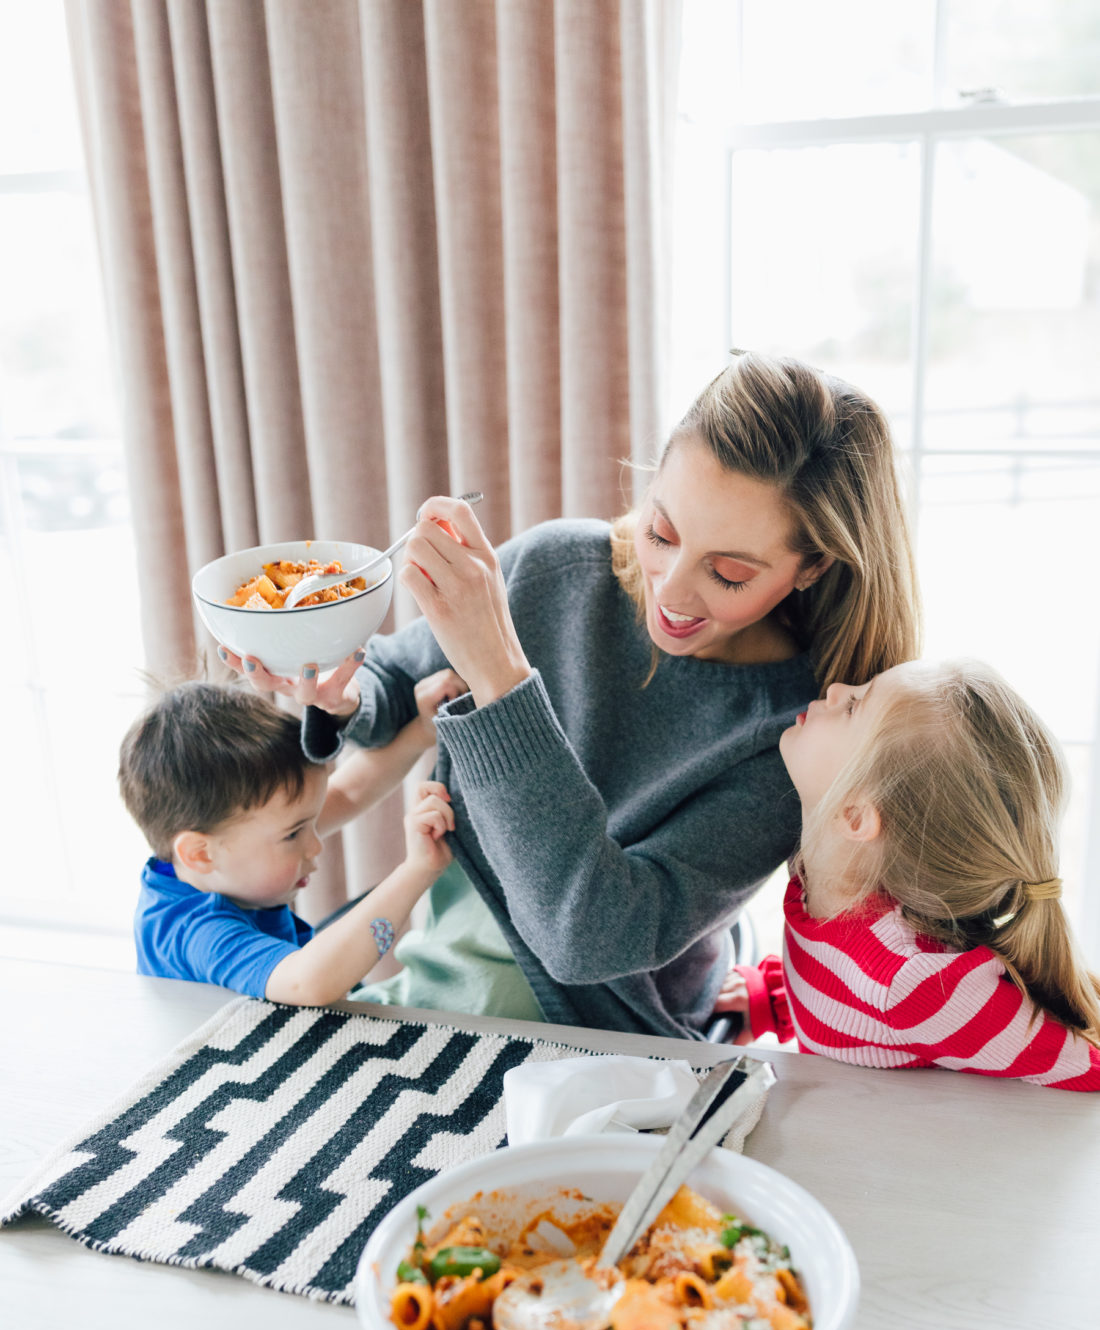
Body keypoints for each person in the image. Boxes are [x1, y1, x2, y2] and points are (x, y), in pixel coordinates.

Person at [219, 352, 922, 1038]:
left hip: (605, 1029)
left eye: (730, 573)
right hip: (448, 956)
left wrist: (500, 677)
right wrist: (338, 696)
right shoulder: (558, 569)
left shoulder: (801, 737)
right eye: (662, 531)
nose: (671, 590)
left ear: (811, 568)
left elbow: (588, 941)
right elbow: (394, 687)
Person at [714, 660, 1100, 1089]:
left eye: (854, 707)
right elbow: (846, 992)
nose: (838, 687)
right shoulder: (819, 877)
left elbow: (1085, 1065)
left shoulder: (915, 983)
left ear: (857, 816)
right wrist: (771, 1000)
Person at [118, 676, 459, 1006]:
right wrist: (417, 870)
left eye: (309, 824)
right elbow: (308, 983)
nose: (315, 847)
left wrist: (422, 731)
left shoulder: (226, 841)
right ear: (200, 854)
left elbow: (349, 792)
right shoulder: (193, 933)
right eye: (294, 834)